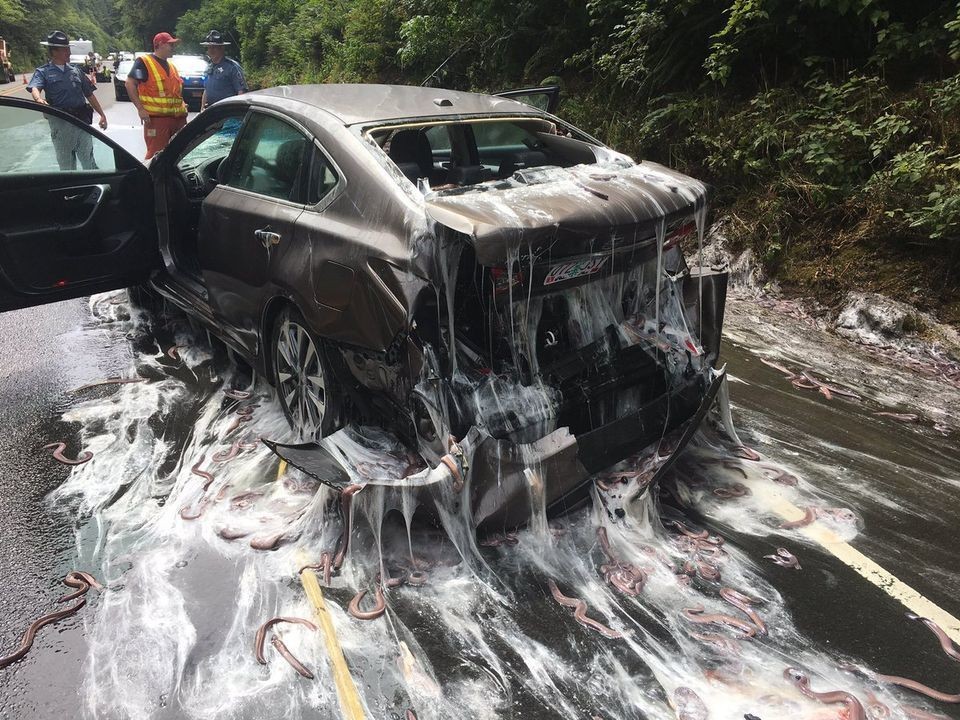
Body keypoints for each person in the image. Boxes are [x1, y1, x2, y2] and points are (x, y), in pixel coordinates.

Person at [26, 30, 108, 171]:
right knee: (67, 166)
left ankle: (93, 183)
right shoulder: (43, 72)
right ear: (54, 52)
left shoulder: (76, 71)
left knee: (88, 162)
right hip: (61, 124)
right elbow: (35, 87)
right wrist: (38, 99)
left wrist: (102, 114)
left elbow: (89, 95)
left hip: (81, 122)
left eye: (68, 49)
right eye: (65, 50)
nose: (69, 53)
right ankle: (70, 186)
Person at [126, 31, 188, 160]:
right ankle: (149, 174)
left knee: (179, 156)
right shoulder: (144, 62)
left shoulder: (172, 67)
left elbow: (175, 93)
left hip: (178, 120)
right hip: (157, 121)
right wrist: (140, 109)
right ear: (160, 44)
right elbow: (129, 83)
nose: (173, 47)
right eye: (170, 44)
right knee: (156, 157)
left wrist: (182, 105)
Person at [199, 30, 247, 110]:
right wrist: (202, 108)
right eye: (209, 47)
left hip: (227, 112)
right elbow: (206, 90)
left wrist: (238, 111)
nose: (211, 50)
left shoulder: (232, 67)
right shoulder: (209, 67)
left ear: (222, 48)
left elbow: (241, 91)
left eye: (214, 47)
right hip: (211, 111)